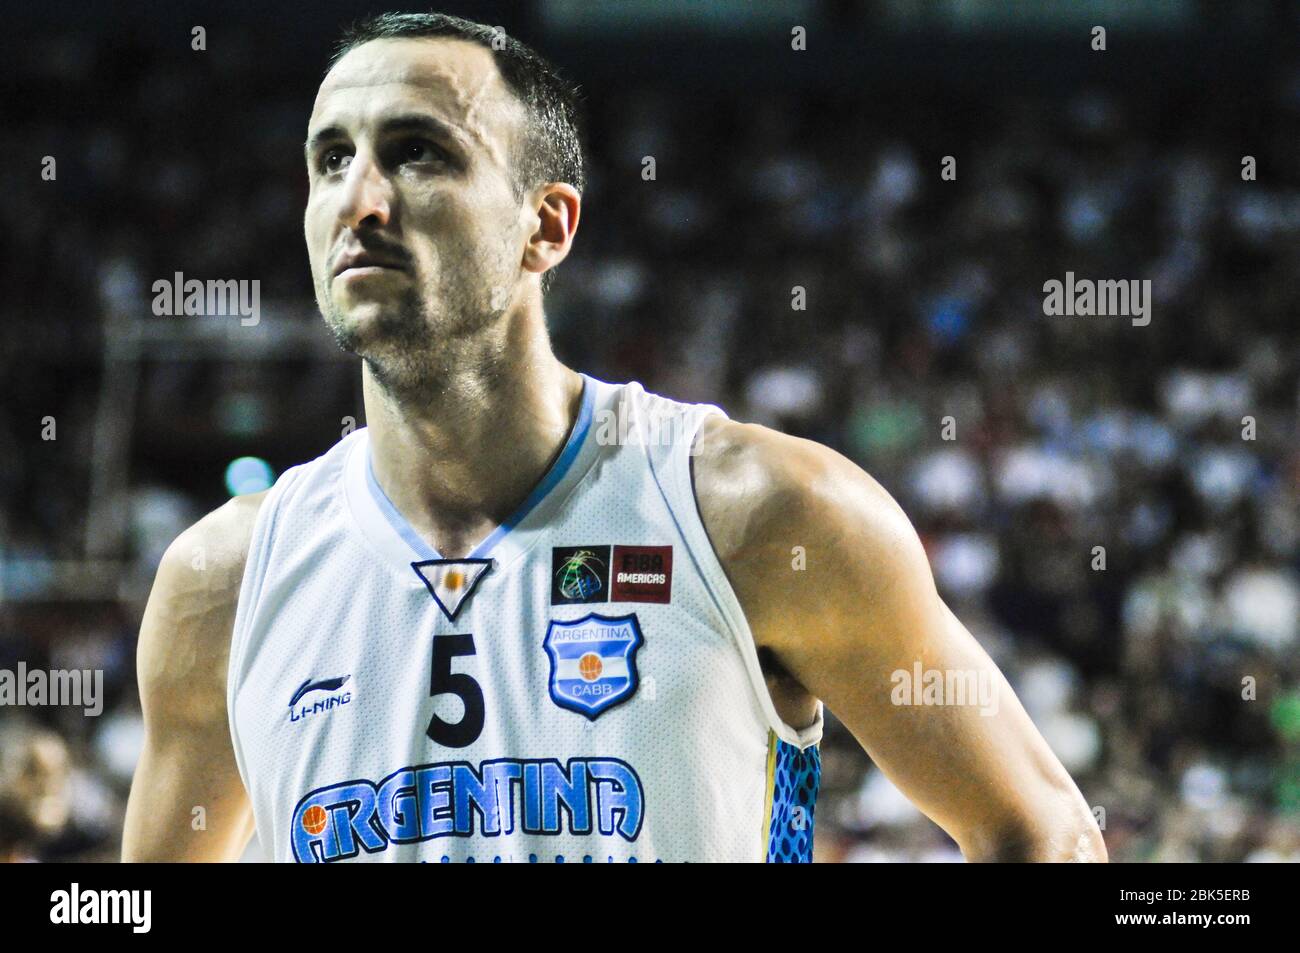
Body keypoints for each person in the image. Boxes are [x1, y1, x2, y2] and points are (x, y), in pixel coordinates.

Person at [122, 12, 1105, 863]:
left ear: (545, 226)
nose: (360, 200)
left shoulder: (759, 513)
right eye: (331, 158)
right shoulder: (223, 579)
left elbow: (1044, 832)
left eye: (418, 151)